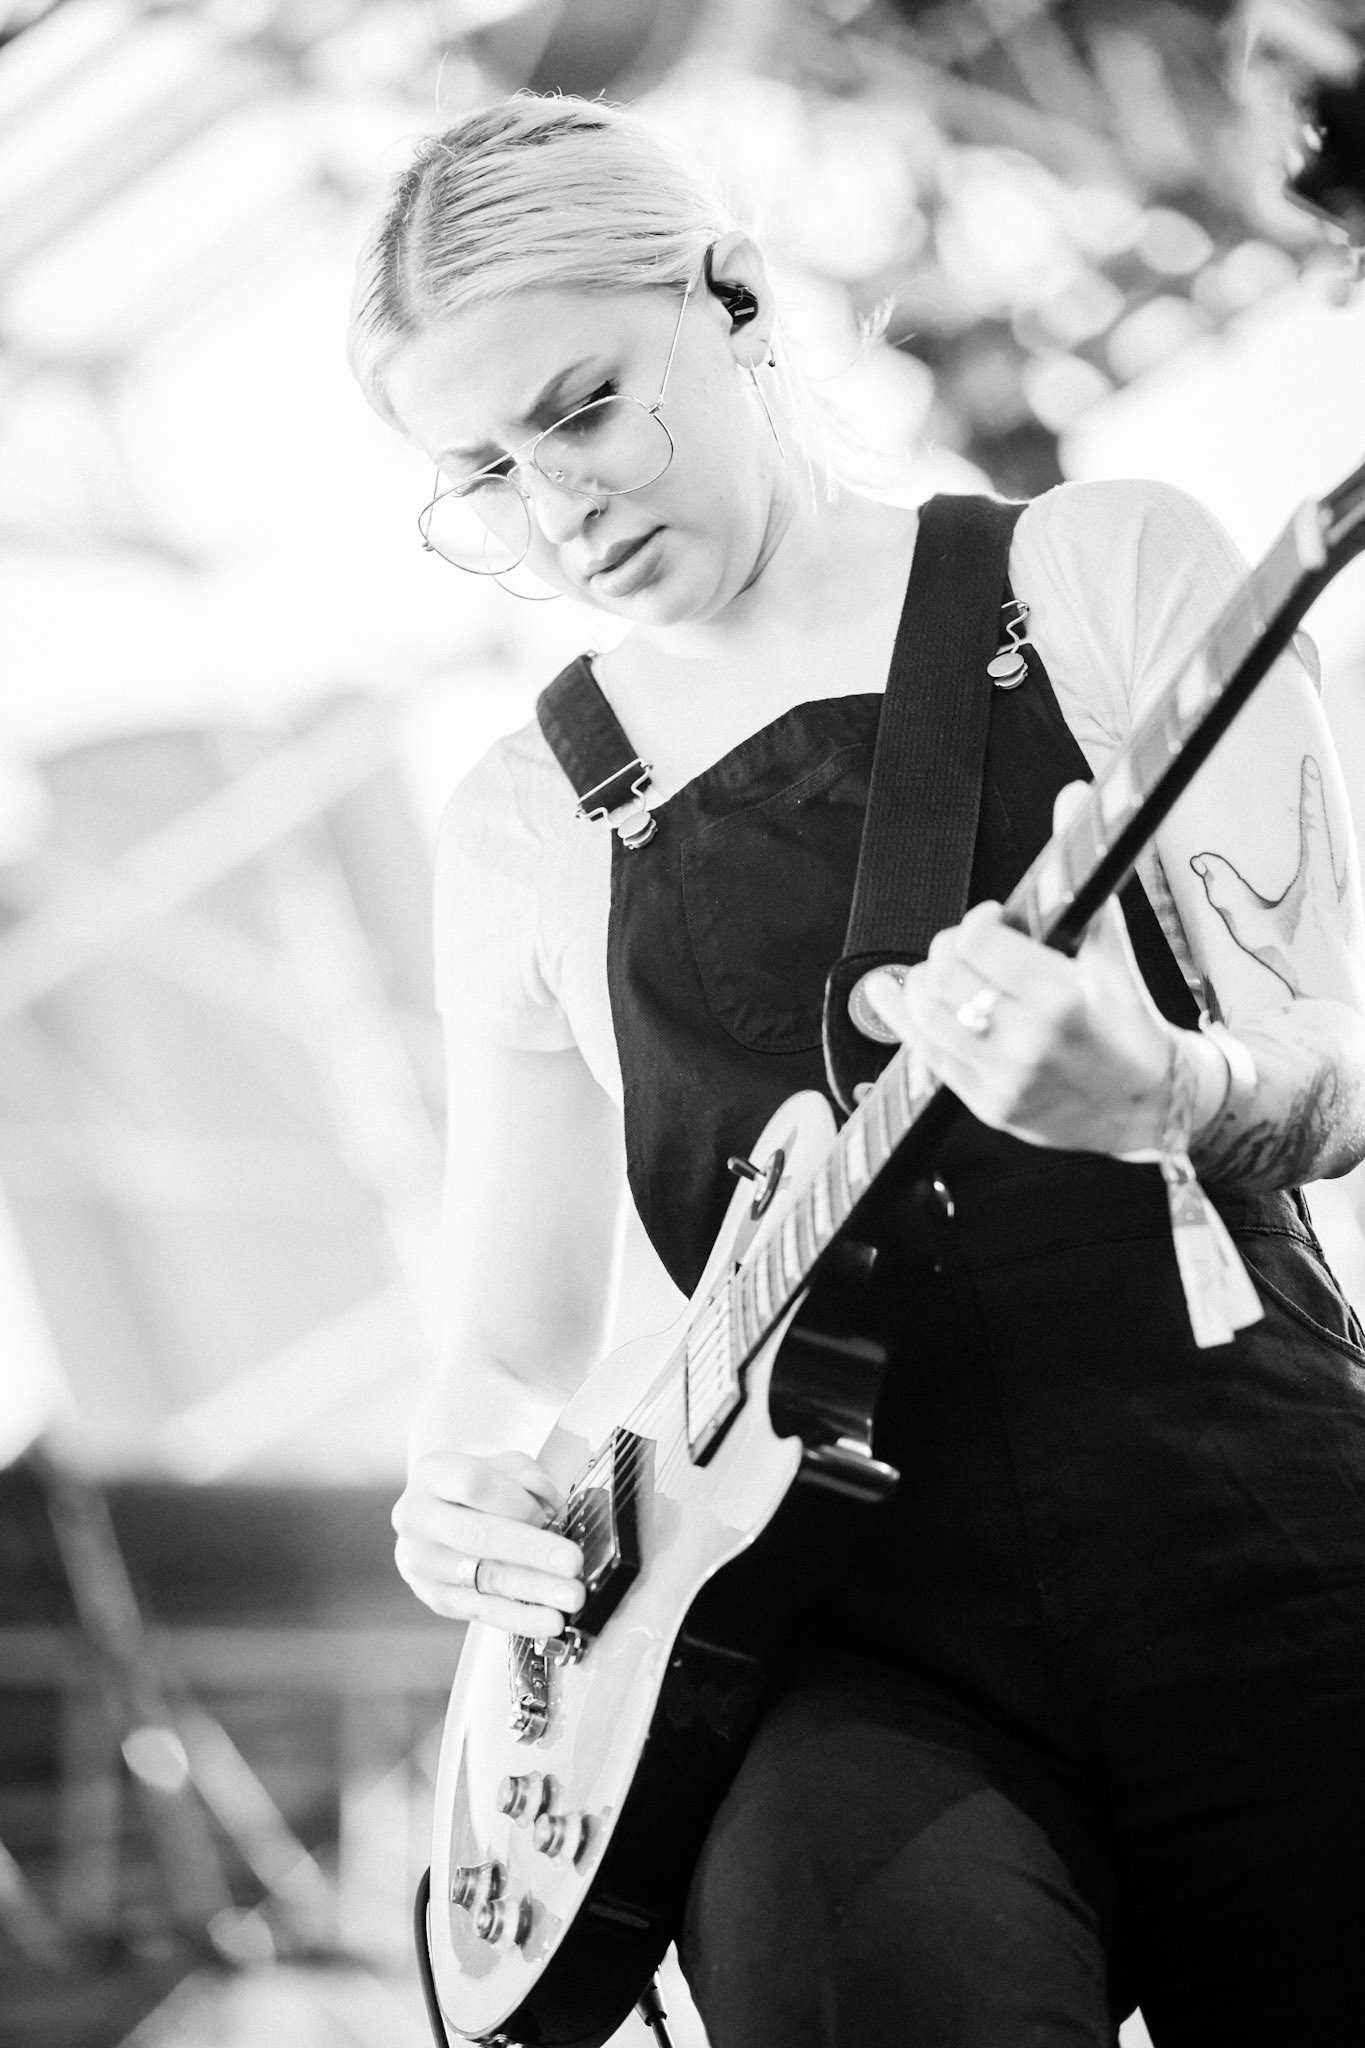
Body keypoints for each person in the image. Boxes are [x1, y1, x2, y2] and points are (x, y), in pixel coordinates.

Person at [348, 94, 1365, 2047]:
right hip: (812, 1643)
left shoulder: (1100, 570)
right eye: (478, 471)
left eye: (581, 407)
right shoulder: (518, 825)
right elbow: (509, 1338)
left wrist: (1160, 1091)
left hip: (1245, 1519)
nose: (552, 508)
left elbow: (1337, 1058)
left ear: (730, 297)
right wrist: (460, 1479)